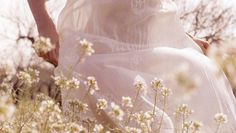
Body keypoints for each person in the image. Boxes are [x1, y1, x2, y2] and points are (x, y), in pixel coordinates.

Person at [28, 0, 236, 132]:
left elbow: (154, 9)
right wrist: (44, 23)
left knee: (203, 70)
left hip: (152, 49)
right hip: (99, 49)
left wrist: (186, 38)